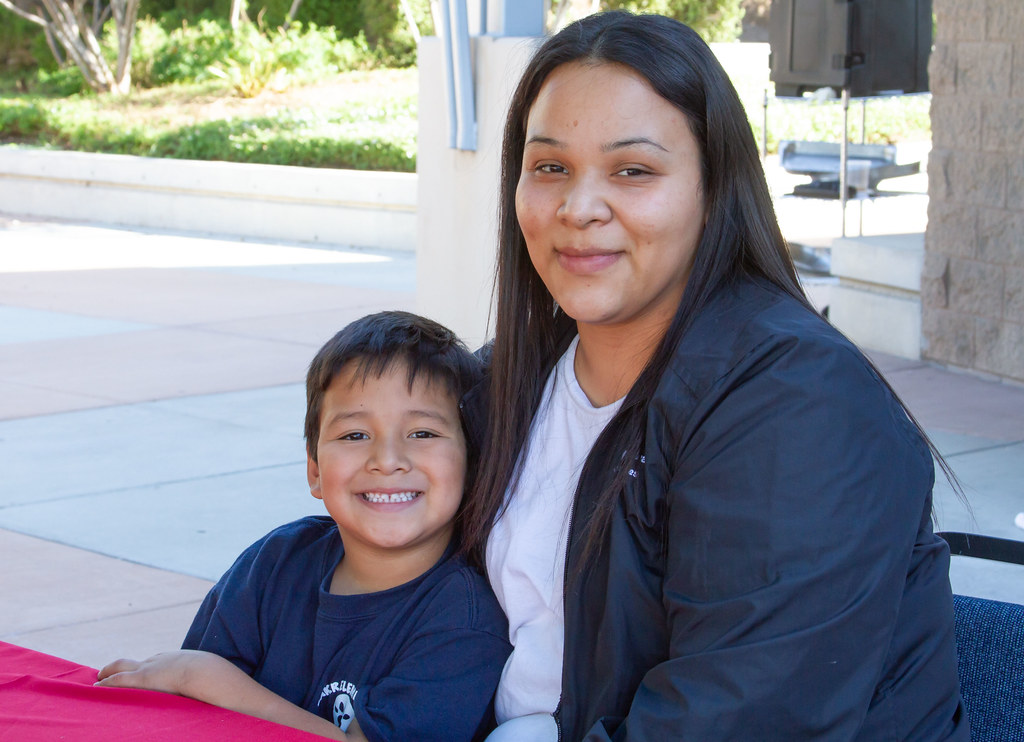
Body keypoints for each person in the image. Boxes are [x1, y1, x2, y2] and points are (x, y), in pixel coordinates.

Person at [459, 11, 968, 742]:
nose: (577, 208)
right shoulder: (505, 380)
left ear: (714, 188)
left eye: (633, 170)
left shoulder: (798, 402)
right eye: (549, 167)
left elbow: (740, 719)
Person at [97, 311, 512, 742]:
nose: (388, 460)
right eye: (354, 436)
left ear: (472, 463)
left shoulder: (465, 618)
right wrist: (196, 681)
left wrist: (205, 680)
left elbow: (205, 684)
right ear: (314, 469)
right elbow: (193, 716)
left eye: (423, 433)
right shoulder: (275, 562)